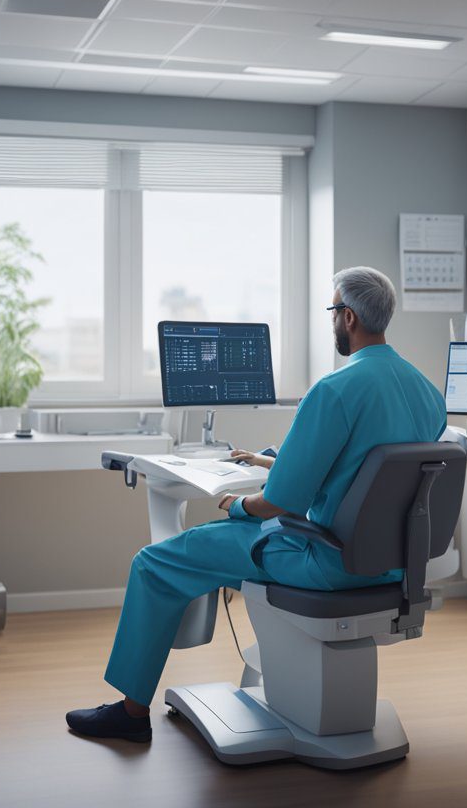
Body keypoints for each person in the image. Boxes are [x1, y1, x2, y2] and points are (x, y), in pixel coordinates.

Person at [65, 266, 447, 743]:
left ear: (347, 317)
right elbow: (368, 473)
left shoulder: (333, 391)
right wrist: (276, 462)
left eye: (333, 311)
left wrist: (235, 505)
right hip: (392, 566)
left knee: (154, 562)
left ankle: (130, 712)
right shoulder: (429, 394)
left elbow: (280, 504)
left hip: (323, 561)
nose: (332, 321)